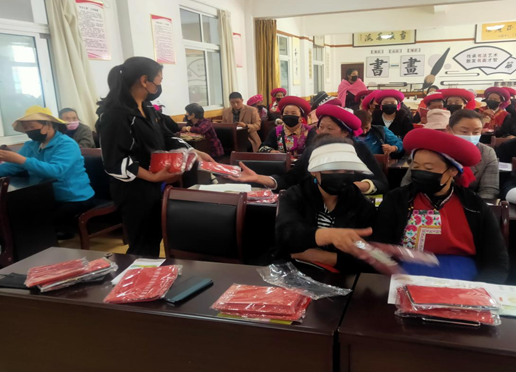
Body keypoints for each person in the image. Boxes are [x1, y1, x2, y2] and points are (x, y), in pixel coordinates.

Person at [96, 56, 211, 256]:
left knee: (154, 236)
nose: (159, 85)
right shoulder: (115, 115)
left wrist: (193, 151)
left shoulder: (148, 108)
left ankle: (150, 272)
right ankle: (136, 274)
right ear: (144, 80)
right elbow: (115, 161)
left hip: (154, 184)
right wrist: (152, 177)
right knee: (142, 244)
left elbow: (166, 136)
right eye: (159, 79)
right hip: (133, 190)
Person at [373, 129, 509, 283]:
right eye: (415, 166)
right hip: (405, 275)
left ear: (452, 170)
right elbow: (380, 247)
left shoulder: (474, 204)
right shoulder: (397, 199)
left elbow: (497, 259)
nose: (420, 172)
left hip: (465, 279)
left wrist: (481, 288)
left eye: (429, 168)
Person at [229, 103, 389, 194]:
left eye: (330, 128)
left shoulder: (359, 150)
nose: (323, 132)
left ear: (345, 132)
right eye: (321, 127)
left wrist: (355, 187)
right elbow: (290, 180)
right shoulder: (313, 150)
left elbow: (381, 183)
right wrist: (258, 178)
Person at [274, 136, 376, 272]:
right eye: (333, 170)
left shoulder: (362, 205)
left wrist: (326, 257)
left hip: (342, 277)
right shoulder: (294, 196)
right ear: (314, 171)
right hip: (292, 273)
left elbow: (368, 257)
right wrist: (328, 235)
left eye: (348, 171)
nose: (341, 176)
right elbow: (286, 235)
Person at [0, 106, 95, 230]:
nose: (29, 131)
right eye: (26, 128)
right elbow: (12, 166)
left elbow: (55, 171)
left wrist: (21, 160)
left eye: (32, 126)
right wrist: (15, 161)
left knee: (32, 222)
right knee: (13, 211)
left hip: (72, 198)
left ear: (48, 125)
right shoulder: (31, 145)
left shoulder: (67, 144)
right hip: (44, 195)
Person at [401, 109, 499, 201]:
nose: (470, 136)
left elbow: (489, 190)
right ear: (449, 129)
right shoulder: (431, 148)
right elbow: (408, 182)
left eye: (476, 132)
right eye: (464, 131)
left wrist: (472, 207)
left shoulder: (487, 153)